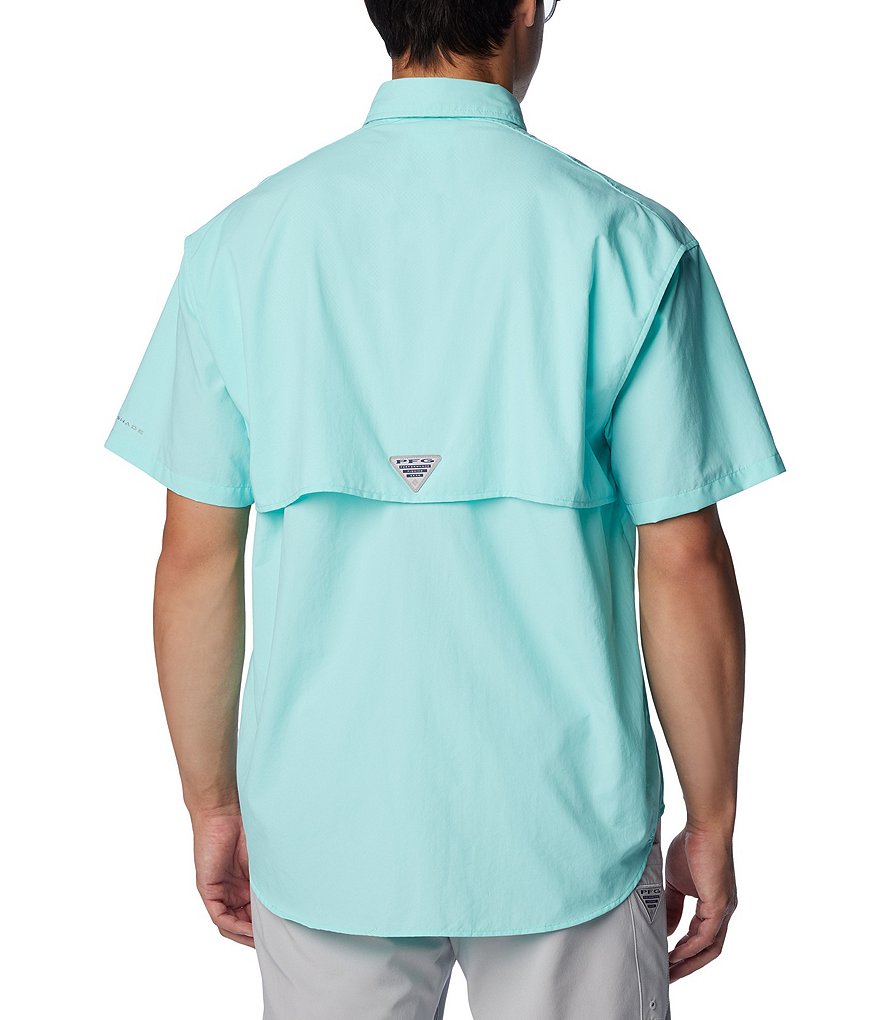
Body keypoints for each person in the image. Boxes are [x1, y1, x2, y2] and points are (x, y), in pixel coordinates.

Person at [103, 1, 786, 1016]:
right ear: (525, 5)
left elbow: (196, 558)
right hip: (568, 826)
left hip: (325, 826)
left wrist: (212, 805)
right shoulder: (631, 243)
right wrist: (713, 820)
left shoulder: (240, 248)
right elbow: (683, 560)